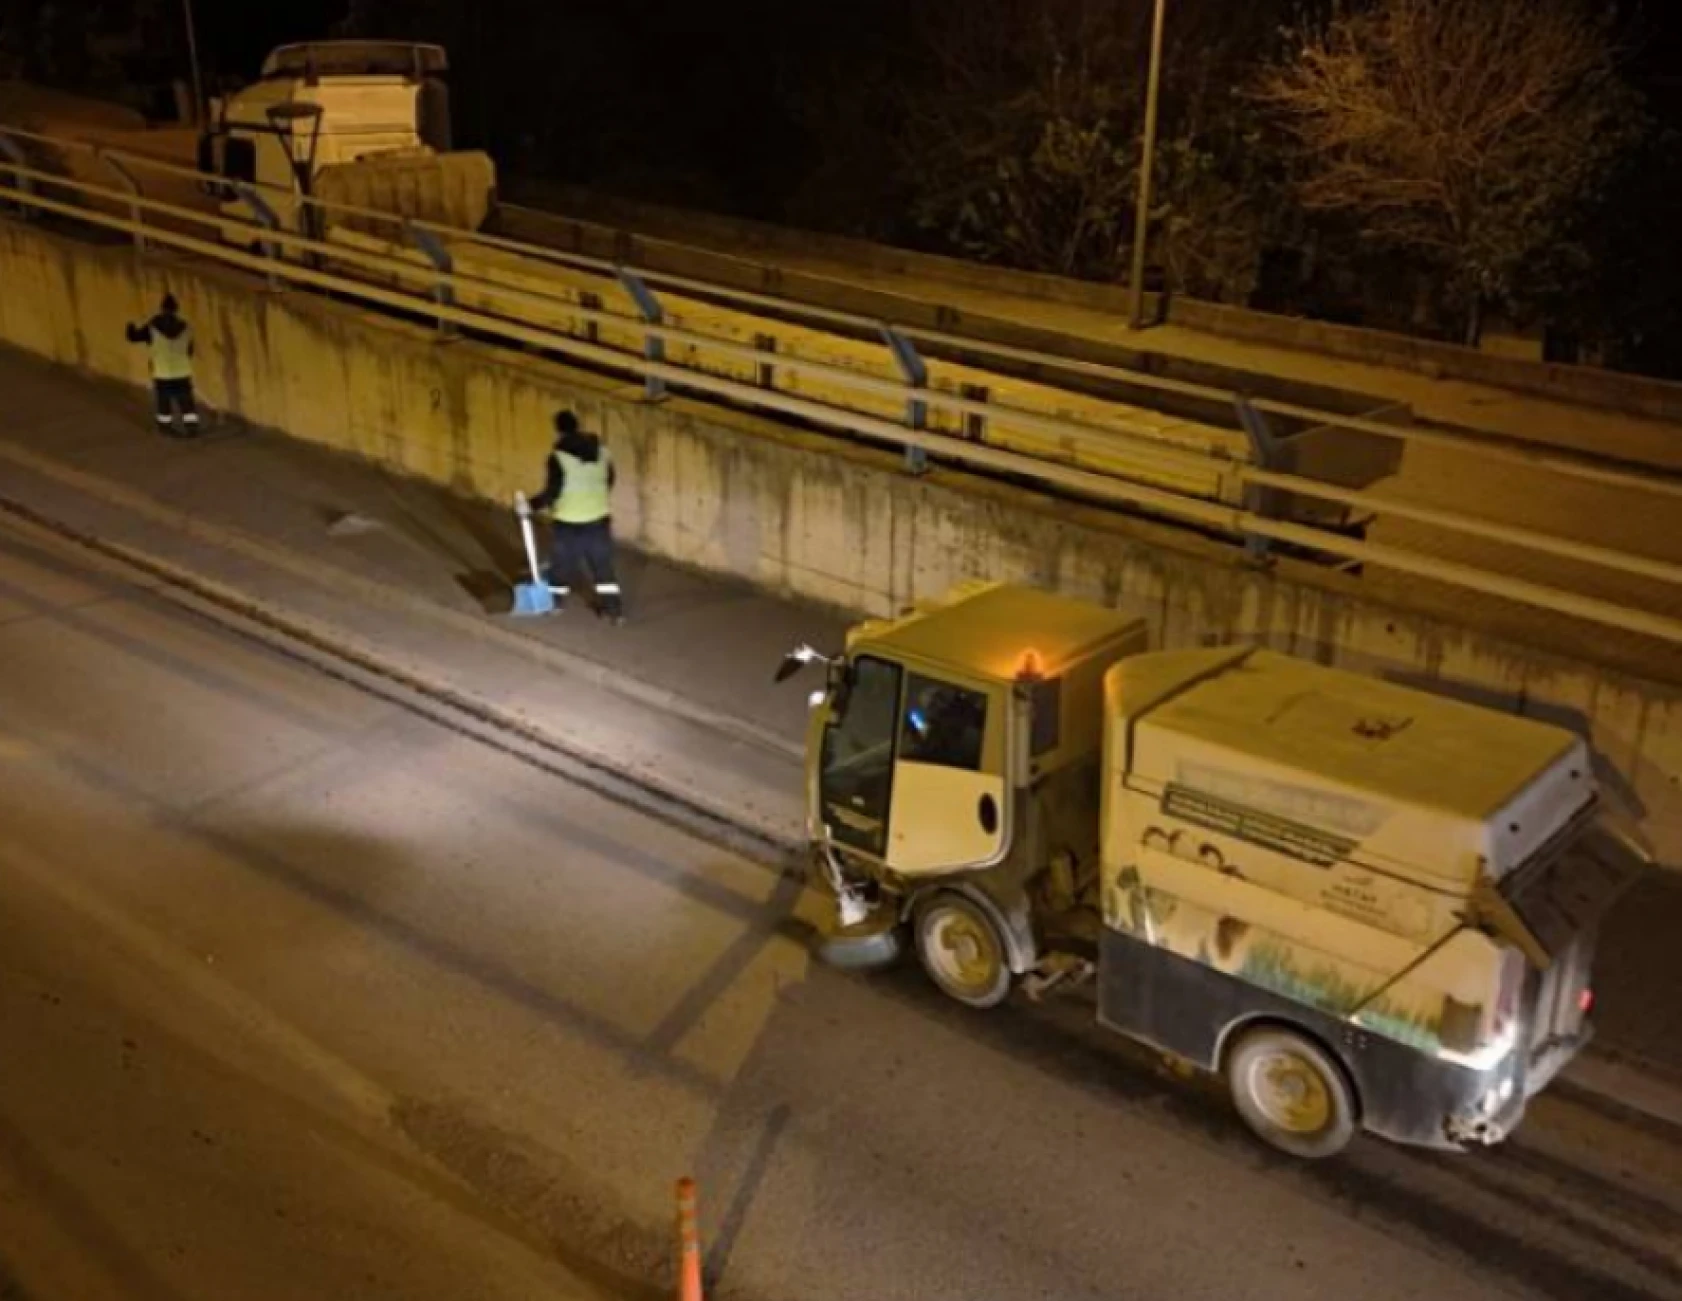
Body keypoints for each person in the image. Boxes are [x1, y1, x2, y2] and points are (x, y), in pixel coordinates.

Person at [522, 408, 624, 622]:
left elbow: (553, 492)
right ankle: (614, 611)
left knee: (563, 566)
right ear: (577, 426)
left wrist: (529, 506)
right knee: (602, 567)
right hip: (598, 520)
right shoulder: (603, 452)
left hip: (568, 522)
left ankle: (555, 604)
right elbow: (609, 480)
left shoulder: (558, 458)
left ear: (559, 431)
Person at [125, 293, 198, 436]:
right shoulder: (186, 327)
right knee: (186, 401)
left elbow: (134, 337)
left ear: (162, 308)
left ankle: (165, 427)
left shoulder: (153, 326)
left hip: (162, 372)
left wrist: (130, 328)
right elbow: (189, 350)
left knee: (164, 401)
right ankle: (191, 427)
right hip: (182, 372)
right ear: (176, 309)